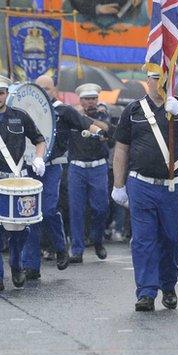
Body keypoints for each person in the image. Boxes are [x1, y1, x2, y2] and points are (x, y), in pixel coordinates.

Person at [111, 68, 178, 311]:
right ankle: (146, 292)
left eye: (165, 77)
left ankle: (168, 284)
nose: (161, 82)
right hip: (141, 184)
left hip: (173, 187)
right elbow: (121, 148)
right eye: (156, 78)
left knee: (173, 238)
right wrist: (118, 184)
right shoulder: (133, 110)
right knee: (143, 240)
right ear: (147, 81)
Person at [0, 74, 47, 292]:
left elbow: (39, 140)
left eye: (1, 93)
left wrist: (39, 157)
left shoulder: (20, 117)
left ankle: (16, 263)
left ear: (7, 94)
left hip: (18, 179)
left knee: (21, 227)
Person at [22, 75, 97, 273]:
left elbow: (85, 123)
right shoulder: (26, 109)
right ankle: (31, 266)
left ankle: (60, 246)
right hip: (30, 166)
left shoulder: (63, 110)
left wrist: (99, 130)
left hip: (52, 166)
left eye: (47, 88)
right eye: (40, 88)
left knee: (47, 210)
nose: (44, 92)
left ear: (54, 90)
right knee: (29, 214)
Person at [66, 83, 113, 268]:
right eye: (86, 99)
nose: (90, 102)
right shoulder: (72, 115)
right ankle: (77, 249)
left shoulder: (102, 114)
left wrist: (84, 117)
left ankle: (97, 239)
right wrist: (76, 115)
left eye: (93, 98)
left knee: (101, 207)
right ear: (80, 99)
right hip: (77, 166)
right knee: (76, 209)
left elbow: (107, 129)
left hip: (98, 167)